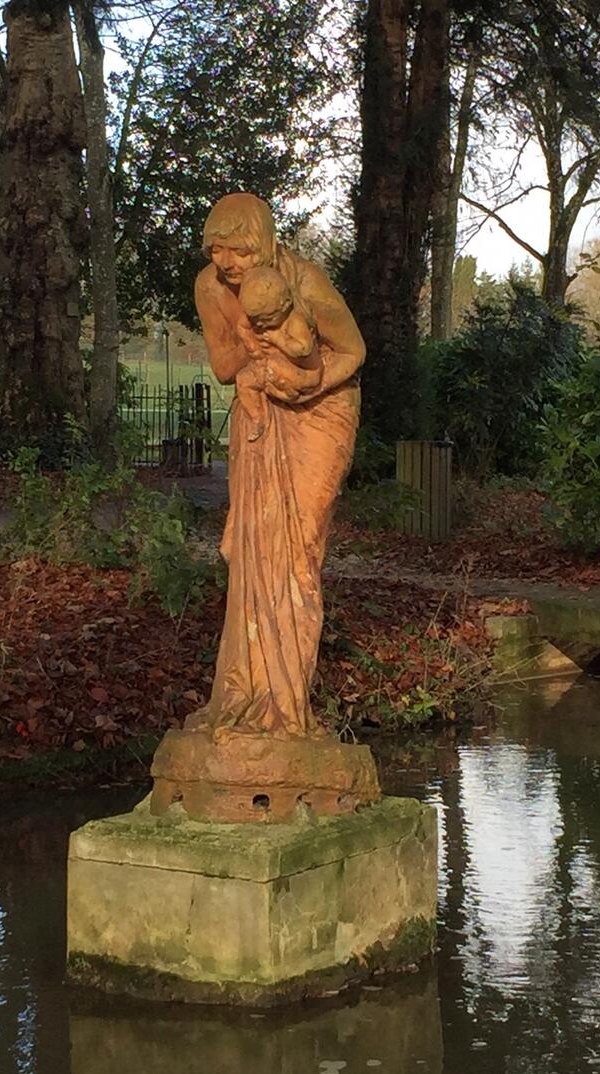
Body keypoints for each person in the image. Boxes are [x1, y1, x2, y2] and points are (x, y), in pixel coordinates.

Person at [188, 192, 366, 738]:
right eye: (217, 251)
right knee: (256, 550)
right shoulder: (210, 289)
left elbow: (353, 351)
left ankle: (288, 702)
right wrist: (255, 349)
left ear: (263, 242)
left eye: (238, 251)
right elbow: (222, 366)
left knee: (298, 551)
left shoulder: (304, 281)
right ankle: (248, 692)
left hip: (321, 413)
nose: (227, 263)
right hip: (259, 409)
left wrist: (304, 381)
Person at [232, 265, 323, 442]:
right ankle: (258, 419)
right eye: (256, 319)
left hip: (304, 373)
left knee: (272, 367)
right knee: (242, 379)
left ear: (286, 304)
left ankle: (290, 393)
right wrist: (256, 352)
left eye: (268, 319)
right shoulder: (259, 318)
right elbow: (241, 327)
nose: (261, 324)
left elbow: (303, 349)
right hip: (271, 366)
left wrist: (278, 339)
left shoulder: (294, 320)